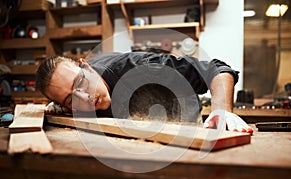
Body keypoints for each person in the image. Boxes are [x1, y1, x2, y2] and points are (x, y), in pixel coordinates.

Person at [36, 52, 253, 133]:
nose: (85, 97)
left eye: (80, 83)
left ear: (86, 67)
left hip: (185, 128)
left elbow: (216, 68)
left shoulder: (142, 68)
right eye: (70, 98)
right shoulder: (76, 104)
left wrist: (222, 111)